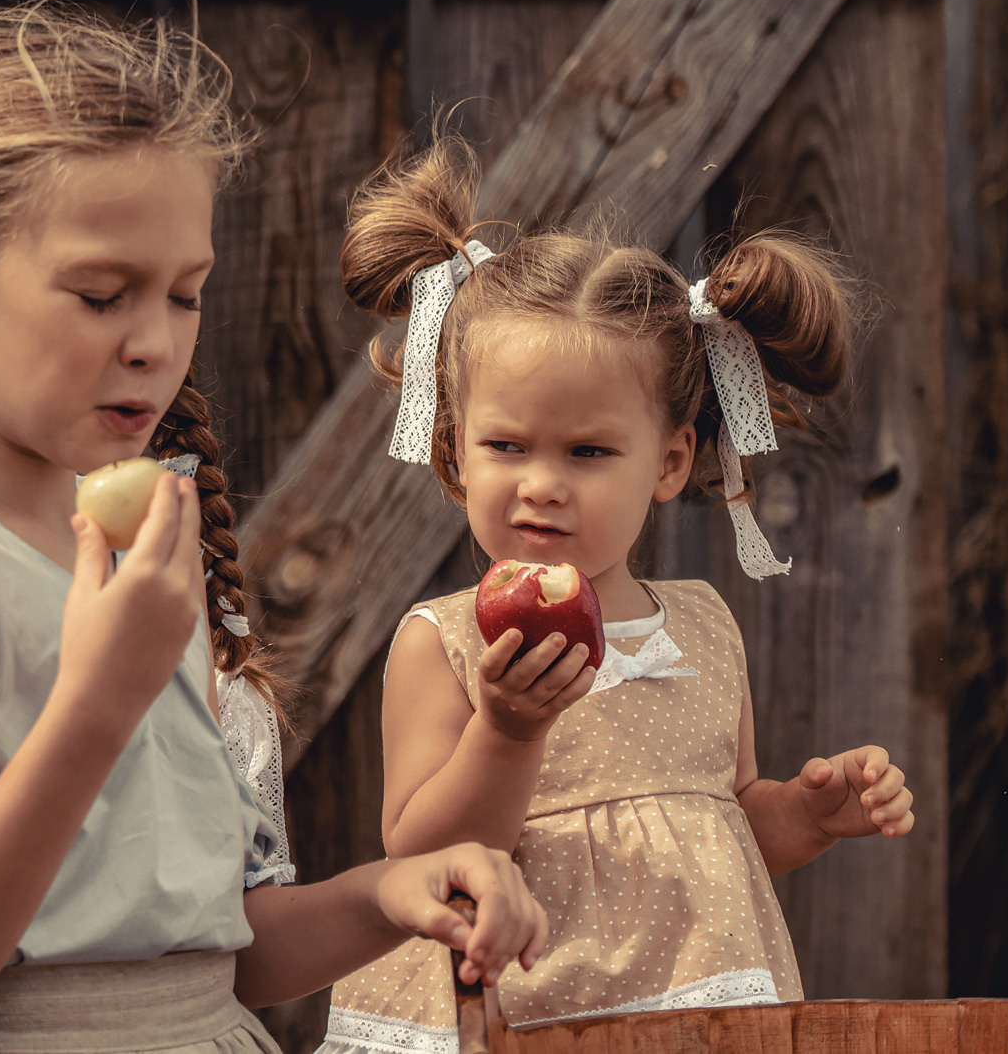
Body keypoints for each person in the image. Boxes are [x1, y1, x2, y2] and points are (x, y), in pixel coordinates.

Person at [0, 1, 551, 1054]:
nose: (155, 343)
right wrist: (95, 705)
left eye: (184, 294)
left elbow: (220, 956)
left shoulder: (139, 558)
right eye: (102, 293)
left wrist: (390, 893)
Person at [318, 137, 916, 1053]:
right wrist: (507, 730)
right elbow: (420, 856)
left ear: (670, 460)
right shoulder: (440, 642)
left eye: (588, 452)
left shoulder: (706, 626)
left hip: (690, 1006)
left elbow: (719, 825)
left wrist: (804, 815)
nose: (543, 483)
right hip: (512, 1013)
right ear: (453, 447)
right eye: (507, 446)